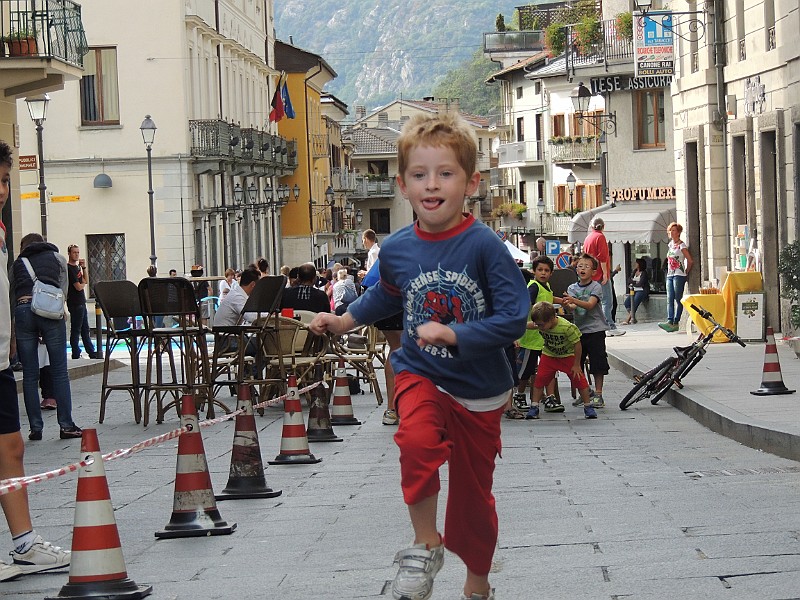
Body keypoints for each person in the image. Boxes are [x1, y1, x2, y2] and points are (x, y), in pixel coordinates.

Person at [309, 112, 529, 600]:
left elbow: (515, 318)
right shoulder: (397, 249)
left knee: (472, 500)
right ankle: (425, 542)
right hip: (419, 372)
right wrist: (344, 321)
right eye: (420, 175)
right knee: (415, 440)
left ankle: (477, 581)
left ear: (471, 183)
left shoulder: (486, 247)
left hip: (480, 390)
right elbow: (387, 295)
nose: (432, 185)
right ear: (402, 184)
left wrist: (456, 335)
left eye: (445, 174)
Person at [0, 140, 72, 582]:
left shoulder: (3, 232)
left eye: (4, 180)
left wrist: (7, 337)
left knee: (11, 447)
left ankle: (25, 545)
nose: (1, 190)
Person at [11, 233, 82, 441]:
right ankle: (66, 425)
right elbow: (63, 290)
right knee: (59, 371)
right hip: (50, 311)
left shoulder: (18, 263)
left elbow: (11, 296)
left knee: (30, 375)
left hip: (23, 310)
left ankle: (35, 428)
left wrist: (13, 334)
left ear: (25, 247)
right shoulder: (58, 259)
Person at [524, 301, 598, 420]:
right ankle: (534, 406)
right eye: (538, 324)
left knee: (579, 380)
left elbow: (577, 344)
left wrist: (576, 364)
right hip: (549, 355)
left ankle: (588, 406)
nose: (540, 327)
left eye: (541, 325)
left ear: (552, 318)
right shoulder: (540, 323)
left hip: (567, 356)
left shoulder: (566, 327)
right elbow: (529, 325)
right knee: (540, 380)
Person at [506, 256, 559, 419]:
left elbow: (548, 300)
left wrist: (562, 301)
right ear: (534, 271)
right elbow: (526, 304)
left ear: (551, 273)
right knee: (525, 370)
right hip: (531, 337)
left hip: (545, 336)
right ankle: (520, 394)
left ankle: (550, 397)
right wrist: (525, 323)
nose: (543, 273)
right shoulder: (533, 287)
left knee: (549, 367)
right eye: (540, 270)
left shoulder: (547, 287)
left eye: (546, 270)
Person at [562, 253, 610, 408]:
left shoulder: (595, 286)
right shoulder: (572, 287)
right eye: (580, 266)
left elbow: (590, 305)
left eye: (586, 266)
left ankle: (598, 394)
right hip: (579, 331)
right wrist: (566, 304)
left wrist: (573, 300)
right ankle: (585, 392)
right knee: (577, 364)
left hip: (596, 330)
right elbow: (572, 307)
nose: (582, 268)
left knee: (598, 362)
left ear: (594, 271)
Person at [583, 217, 624, 336]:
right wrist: (606, 274)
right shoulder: (600, 237)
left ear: (592, 227)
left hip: (591, 274)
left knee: (596, 302)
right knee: (607, 301)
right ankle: (609, 326)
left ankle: (600, 326)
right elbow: (602, 257)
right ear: (603, 226)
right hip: (600, 274)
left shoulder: (588, 238)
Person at [65, 244, 98, 359]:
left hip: (81, 302)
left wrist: (83, 268)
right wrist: (83, 284)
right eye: (74, 252)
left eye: (78, 252)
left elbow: (85, 281)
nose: (76, 254)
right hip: (75, 302)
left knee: (85, 328)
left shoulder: (76, 268)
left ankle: (91, 351)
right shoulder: (69, 268)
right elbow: (78, 287)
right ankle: (75, 352)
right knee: (76, 329)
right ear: (69, 253)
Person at [660, 222, 694, 332]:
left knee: (677, 298)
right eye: (671, 230)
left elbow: (690, 260)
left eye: (674, 230)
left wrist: (686, 271)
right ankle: (670, 320)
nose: (672, 232)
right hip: (670, 274)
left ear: (678, 232)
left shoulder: (681, 245)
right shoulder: (670, 245)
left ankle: (676, 321)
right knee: (669, 298)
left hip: (679, 274)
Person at [623, 258, 650, 324]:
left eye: (636, 263)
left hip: (642, 290)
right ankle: (633, 317)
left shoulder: (644, 273)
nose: (635, 264)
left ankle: (628, 319)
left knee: (635, 302)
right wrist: (635, 282)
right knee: (627, 302)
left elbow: (641, 283)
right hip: (634, 290)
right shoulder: (634, 271)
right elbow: (629, 280)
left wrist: (633, 283)